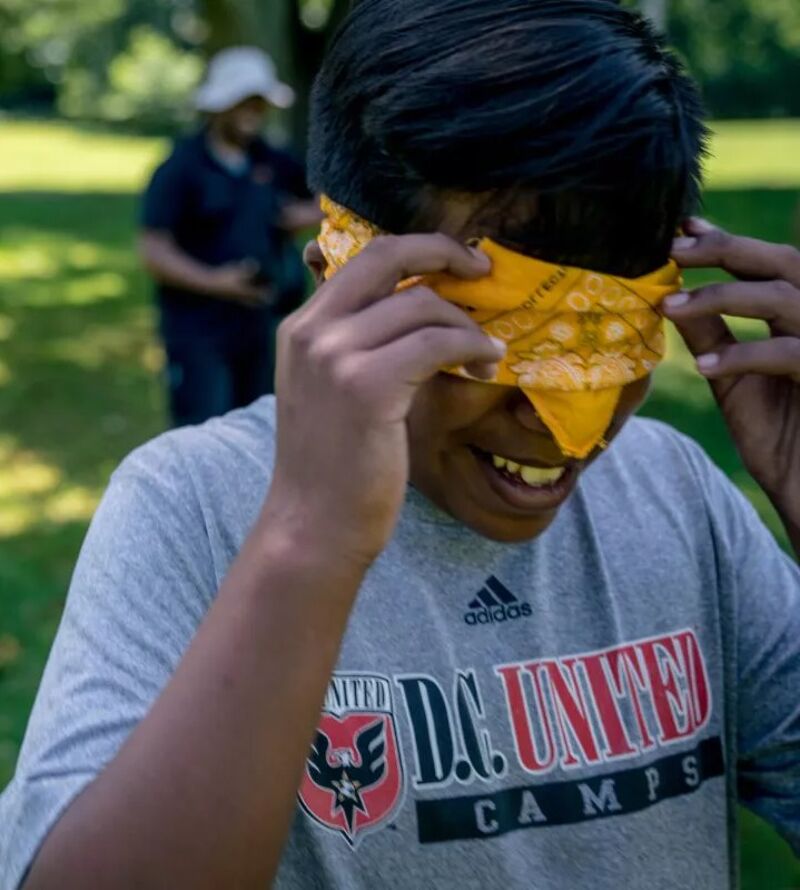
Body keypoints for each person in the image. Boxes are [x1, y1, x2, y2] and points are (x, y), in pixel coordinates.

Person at [1, 1, 799, 888]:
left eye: (610, 339)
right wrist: (310, 542)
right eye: (488, 332)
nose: (557, 417)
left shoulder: (678, 499)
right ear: (336, 283)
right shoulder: (190, 508)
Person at [139, 46, 320, 427]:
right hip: (198, 329)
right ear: (219, 106)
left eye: (259, 104)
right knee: (203, 429)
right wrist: (216, 283)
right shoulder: (181, 167)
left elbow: (325, 201)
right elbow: (153, 249)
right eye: (244, 103)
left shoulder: (271, 159)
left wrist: (297, 216)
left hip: (259, 323)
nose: (252, 113)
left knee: (256, 426)